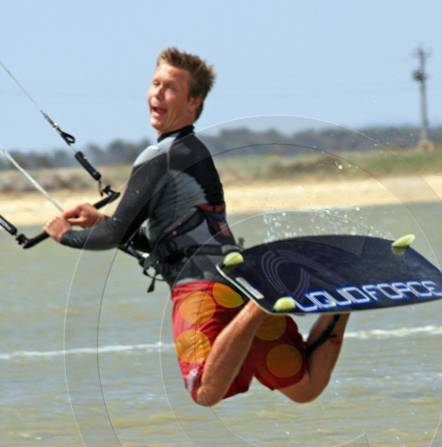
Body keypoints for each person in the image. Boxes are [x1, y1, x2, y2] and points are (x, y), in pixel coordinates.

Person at [44, 48, 349, 406]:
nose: (158, 93)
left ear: (194, 102)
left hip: (203, 291)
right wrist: (101, 221)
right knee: (305, 386)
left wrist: (65, 235)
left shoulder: (159, 157)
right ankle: (338, 301)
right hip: (242, 278)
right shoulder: (195, 152)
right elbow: (174, 235)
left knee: (204, 390)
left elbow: (113, 236)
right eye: (155, 83)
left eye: (170, 87)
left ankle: (258, 308)